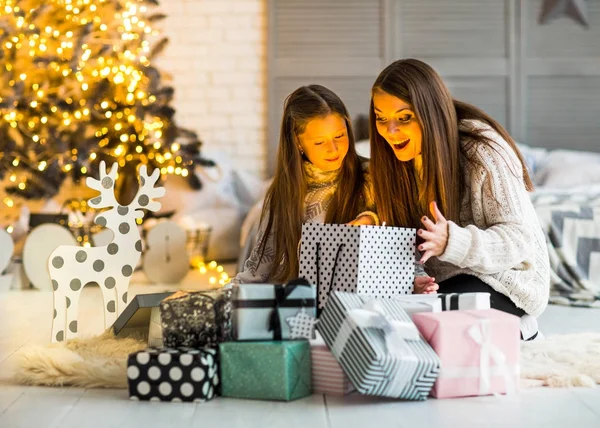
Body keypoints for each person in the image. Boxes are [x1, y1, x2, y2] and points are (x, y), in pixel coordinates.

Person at [369, 59, 550, 340]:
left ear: (429, 112)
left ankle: (522, 325)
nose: (390, 131)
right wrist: (414, 279)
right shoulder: (390, 165)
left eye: (404, 118)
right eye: (382, 118)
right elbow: (406, 247)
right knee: (385, 322)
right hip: (443, 285)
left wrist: (452, 241)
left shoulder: (482, 150)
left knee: (437, 331)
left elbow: (519, 240)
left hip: (503, 280)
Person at [235, 85, 378, 284]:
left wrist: (372, 220)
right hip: (303, 301)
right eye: (320, 142)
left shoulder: (372, 177)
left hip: (363, 302)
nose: (333, 149)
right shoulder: (284, 192)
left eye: (339, 136)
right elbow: (259, 271)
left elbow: (403, 239)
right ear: (298, 143)